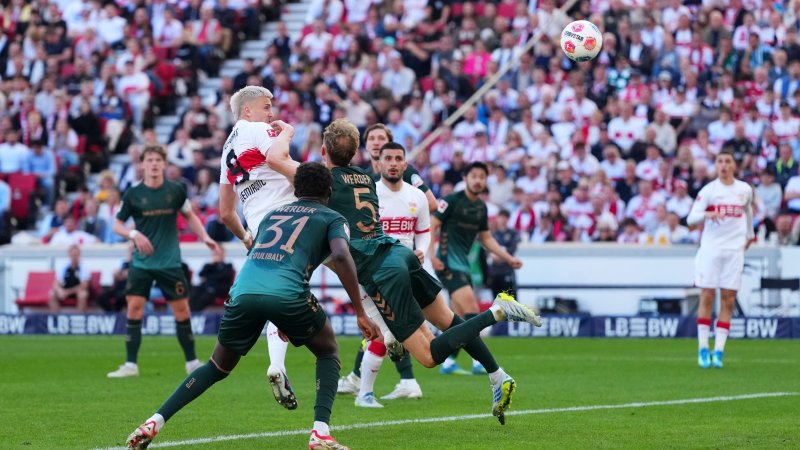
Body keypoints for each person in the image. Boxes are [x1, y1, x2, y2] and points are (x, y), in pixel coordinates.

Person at [125, 162, 378, 450]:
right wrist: (360, 312)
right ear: (329, 191)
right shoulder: (332, 217)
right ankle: (320, 432)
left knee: (216, 366)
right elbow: (342, 256)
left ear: (295, 189)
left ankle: (154, 421)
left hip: (243, 290)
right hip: (287, 293)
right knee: (328, 351)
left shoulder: (272, 215)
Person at [323, 119, 542, 425]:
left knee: (425, 353)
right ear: (368, 151)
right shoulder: (369, 183)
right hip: (400, 256)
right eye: (376, 144)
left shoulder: (343, 187)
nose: (386, 154)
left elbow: (427, 217)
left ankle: (496, 312)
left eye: (394, 153)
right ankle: (497, 375)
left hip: (383, 271)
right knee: (447, 323)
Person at [217, 85, 300, 409]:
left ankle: (277, 364)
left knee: (283, 293)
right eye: (266, 106)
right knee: (346, 249)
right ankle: (383, 326)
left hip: (261, 229)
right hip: (291, 218)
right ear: (247, 110)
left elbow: (226, 212)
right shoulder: (258, 129)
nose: (271, 113)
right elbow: (281, 161)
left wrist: (246, 237)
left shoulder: (227, 149)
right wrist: (321, 182)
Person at [107, 145, 221, 379]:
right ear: (142, 164)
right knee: (134, 308)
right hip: (142, 263)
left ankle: (192, 363)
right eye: (149, 160)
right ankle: (130, 365)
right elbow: (117, 225)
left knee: (182, 310)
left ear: (164, 164)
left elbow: (190, 216)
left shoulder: (176, 190)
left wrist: (205, 237)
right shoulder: (133, 194)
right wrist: (134, 234)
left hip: (169, 262)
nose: (154, 164)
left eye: (158, 160)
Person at [340, 142, 429, 407]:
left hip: (405, 272)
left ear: (405, 164)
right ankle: (367, 391)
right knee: (386, 332)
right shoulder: (369, 193)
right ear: (378, 163)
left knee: (390, 333)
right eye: (387, 158)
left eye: (397, 158)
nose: (392, 163)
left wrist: (422, 251)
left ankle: (372, 388)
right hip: (375, 272)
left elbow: (424, 231)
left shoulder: (417, 196)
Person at [429, 162, 523, 375]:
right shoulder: (451, 201)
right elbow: (432, 226)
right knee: (472, 308)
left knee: (459, 319)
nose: (478, 180)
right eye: (474, 176)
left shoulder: (481, 208)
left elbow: (486, 239)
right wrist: (432, 256)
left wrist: (508, 258)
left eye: (482, 177)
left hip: (463, 266)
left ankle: (449, 361)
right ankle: (479, 361)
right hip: (447, 264)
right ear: (465, 178)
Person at [687, 148, 755, 369]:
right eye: (720, 161)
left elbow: (748, 212)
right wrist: (708, 214)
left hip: (734, 251)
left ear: (734, 165)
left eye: (727, 161)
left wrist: (750, 235)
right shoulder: (709, 191)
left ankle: (719, 351)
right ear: (716, 165)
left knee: (728, 299)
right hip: (711, 250)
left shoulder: (744, 190)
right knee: (707, 295)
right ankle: (702, 348)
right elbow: (691, 218)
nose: (724, 165)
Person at [362, 123, 437, 213]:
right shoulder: (363, 177)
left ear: (390, 144)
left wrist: (402, 217)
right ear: (366, 145)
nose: (376, 142)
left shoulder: (404, 170)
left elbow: (432, 204)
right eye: (371, 138)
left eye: (381, 138)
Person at [189, 246, 235, 312]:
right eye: (215, 253)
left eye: (219, 253)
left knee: (206, 295)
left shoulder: (228, 266)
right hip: (206, 286)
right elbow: (201, 274)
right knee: (194, 290)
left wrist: (208, 277)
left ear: (223, 254)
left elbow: (222, 277)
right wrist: (211, 264)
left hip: (219, 289)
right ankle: (190, 311)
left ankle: (195, 312)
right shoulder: (209, 265)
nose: (217, 256)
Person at [48, 245, 91, 312]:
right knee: (52, 293)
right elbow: (55, 283)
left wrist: (68, 292)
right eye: (72, 255)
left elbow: (84, 285)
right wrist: (60, 290)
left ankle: (79, 317)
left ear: (79, 255)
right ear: (69, 255)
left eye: (76, 255)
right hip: (65, 290)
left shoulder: (83, 267)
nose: (74, 257)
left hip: (77, 291)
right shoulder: (63, 266)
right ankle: (55, 316)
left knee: (83, 295)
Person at [488, 209, 521, 298]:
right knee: (496, 300)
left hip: (507, 270)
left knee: (511, 300)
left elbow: (512, 249)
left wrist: (500, 255)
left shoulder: (513, 234)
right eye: (501, 217)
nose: (502, 220)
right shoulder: (492, 235)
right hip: (494, 272)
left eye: (505, 217)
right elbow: (488, 251)